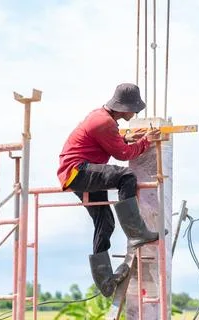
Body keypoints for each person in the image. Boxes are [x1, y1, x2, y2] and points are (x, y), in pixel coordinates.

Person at [57, 83, 161, 297]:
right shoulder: (104, 122)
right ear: (125, 107)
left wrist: (127, 139)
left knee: (105, 221)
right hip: (79, 171)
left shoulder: (102, 118)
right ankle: (137, 232)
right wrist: (146, 142)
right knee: (126, 177)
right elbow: (123, 154)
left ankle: (105, 281)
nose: (136, 113)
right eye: (135, 109)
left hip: (79, 173)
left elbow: (112, 144)